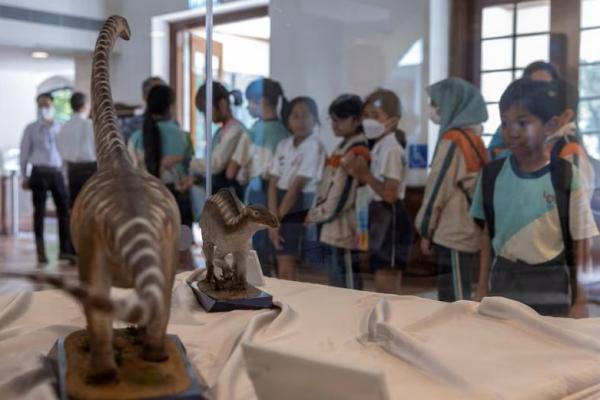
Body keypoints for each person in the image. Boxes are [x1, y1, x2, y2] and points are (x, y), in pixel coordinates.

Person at [471, 79, 598, 316]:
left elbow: (581, 241)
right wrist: (480, 288)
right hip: (504, 281)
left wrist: (580, 299)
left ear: (550, 125)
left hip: (550, 284)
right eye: (505, 123)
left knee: (547, 350)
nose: (512, 132)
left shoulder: (566, 176)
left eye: (523, 122)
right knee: (503, 347)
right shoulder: (491, 175)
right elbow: (487, 236)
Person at [415, 77, 489, 302]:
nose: (433, 109)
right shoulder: (474, 138)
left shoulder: (453, 140)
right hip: (468, 230)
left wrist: (425, 228)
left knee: (455, 303)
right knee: (459, 297)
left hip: (454, 232)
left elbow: (438, 188)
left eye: (437, 103)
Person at [342, 89, 412, 293]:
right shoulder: (379, 145)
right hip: (378, 215)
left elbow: (390, 194)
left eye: (375, 116)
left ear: (393, 120)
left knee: (386, 287)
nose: (368, 121)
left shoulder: (391, 148)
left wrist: (365, 175)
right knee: (379, 280)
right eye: (366, 116)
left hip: (391, 219)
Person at [226, 78, 291, 276]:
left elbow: (231, 171)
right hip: (283, 199)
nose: (247, 107)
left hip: (258, 197)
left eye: (250, 102)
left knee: (260, 259)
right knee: (282, 255)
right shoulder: (287, 133)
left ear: (261, 101)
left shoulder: (253, 133)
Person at [306, 94, 370, 289]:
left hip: (345, 228)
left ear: (357, 120)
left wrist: (317, 214)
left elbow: (341, 195)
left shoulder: (357, 151)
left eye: (340, 119)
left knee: (349, 288)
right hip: (333, 227)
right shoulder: (342, 146)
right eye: (332, 119)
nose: (335, 124)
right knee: (336, 284)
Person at [267, 97, 325, 280]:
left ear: (315, 119)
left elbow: (297, 185)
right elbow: (272, 183)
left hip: (300, 203)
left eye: (306, 116)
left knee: (289, 261)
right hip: (280, 206)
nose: (300, 121)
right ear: (288, 121)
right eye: (295, 116)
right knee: (280, 260)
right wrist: (272, 219)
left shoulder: (314, 145)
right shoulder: (283, 145)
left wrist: (277, 220)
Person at [20, 93, 75, 264]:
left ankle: (65, 251)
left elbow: (66, 153)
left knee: (64, 212)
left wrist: (65, 175)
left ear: (53, 106)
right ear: (37, 107)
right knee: (39, 213)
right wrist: (24, 175)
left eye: (47, 104)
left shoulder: (60, 127)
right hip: (39, 173)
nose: (44, 108)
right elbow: (24, 153)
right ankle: (41, 252)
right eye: (41, 105)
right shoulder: (31, 128)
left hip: (57, 172)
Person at [128, 85, 194, 229]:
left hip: (146, 204)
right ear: (170, 107)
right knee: (182, 247)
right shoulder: (184, 137)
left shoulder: (136, 138)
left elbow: (131, 175)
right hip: (179, 203)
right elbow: (192, 169)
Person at [191, 82, 247, 198]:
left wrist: (187, 161)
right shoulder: (220, 131)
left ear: (222, 104)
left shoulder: (236, 130)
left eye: (207, 111)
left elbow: (216, 164)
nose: (207, 116)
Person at [57, 92, 97, 206]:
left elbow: (60, 150)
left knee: (75, 208)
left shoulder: (64, 127)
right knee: (91, 207)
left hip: (72, 170)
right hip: (91, 170)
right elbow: (98, 149)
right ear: (85, 105)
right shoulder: (91, 125)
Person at [121, 76, 166, 143]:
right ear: (144, 97)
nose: (159, 98)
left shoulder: (174, 124)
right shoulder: (131, 126)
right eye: (154, 94)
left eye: (163, 93)